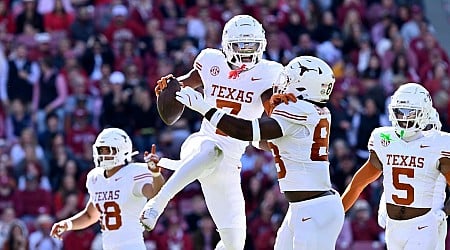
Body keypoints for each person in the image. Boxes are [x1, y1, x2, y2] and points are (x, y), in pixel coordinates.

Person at [140, 14, 284, 250]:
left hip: (230, 164)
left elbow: (270, 124)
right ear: (227, 44)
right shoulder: (210, 61)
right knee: (212, 151)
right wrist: (170, 87)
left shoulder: (270, 73)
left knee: (234, 244)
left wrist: (284, 137)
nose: (247, 51)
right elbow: (182, 86)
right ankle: (157, 204)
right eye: (241, 45)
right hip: (202, 143)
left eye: (252, 45)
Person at [174, 56, 345, 249]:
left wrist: (204, 108)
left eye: (288, 79)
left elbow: (246, 130)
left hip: (314, 207)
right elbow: (268, 141)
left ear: (302, 86)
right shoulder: (311, 111)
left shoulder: (298, 111)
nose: (282, 84)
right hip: (303, 207)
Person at [341, 83, 450, 249]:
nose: (404, 118)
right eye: (400, 111)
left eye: (410, 112)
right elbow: (359, 183)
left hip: (422, 225)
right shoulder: (384, 138)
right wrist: (338, 211)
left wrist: (444, 212)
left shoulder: (438, 143)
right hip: (393, 227)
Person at [50, 128, 165, 250]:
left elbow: (156, 193)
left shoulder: (133, 173)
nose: (103, 154)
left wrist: (156, 174)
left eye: (108, 150)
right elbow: (90, 215)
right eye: (101, 150)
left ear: (122, 151)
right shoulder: (96, 178)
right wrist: (67, 224)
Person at [377, 107, 447, 250]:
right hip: (401, 224)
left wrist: (444, 213)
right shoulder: (398, 146)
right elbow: (392, 184)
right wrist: (384, 205)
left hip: (430, 220)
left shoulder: (441, 150)